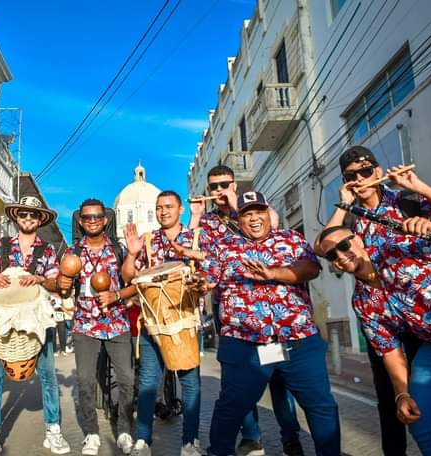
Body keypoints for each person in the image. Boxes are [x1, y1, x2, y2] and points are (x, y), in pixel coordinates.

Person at [319, 145, 431, 455]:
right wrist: (344, 203)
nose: (361, 179)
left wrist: (418, 191)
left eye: (367, 172)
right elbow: (325, 245)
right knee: (406, 404)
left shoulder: (408, 203)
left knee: (430, 408)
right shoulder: (353, 223)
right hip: (404, 323)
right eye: (352, 176)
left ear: (378, 171)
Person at [202, 191, 340, 456]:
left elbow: (311, 268)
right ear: (238, 218)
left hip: (297, 340)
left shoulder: (290, 238)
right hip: (244, 344)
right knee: (231, 407)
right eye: (247, 214)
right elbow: (207, 279)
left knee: (321, 406)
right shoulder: (222, 247)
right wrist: (200, 285)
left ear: (269, 212)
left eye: (259, 211)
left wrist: (274, 273)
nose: (254, 218)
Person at [190, 166, 303, 456]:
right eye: (213, 186)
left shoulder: (257, 208)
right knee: (239, 379)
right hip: (232, 309)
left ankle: (291, 437)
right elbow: (197, 252)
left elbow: (275, 233)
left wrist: (235, 208)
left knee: (279, 376)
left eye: (223, 185)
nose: (218, 191)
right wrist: (196, 218)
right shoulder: (210, 222)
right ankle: (252, 436)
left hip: (272, 309)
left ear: (234, 184)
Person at [0, 196, 70, 455]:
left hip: (37, 319)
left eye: (33, 215)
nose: (28, 218)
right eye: (24, 214)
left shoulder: (48, 250)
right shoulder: (0, 245)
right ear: (17, 217)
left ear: (40, 220)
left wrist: (38, 278)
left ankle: (54, 432)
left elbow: (55, 284)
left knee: (48, 376)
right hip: (0, 319)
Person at [121, 190, 206, 456]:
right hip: (152, 324)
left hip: (186, 324)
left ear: (180, 209)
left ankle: (189, 442)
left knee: (191, 383)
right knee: (147, 382)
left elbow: (208, 273)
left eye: (169, 206)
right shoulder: (148, 241)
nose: (163, 211)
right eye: (159, 207)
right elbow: (128, 279)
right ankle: (143, 441)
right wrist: (132, 255)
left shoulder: (196, 238)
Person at [57, 198, 137, 455]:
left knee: (127, 378)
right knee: (84, 381)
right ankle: (91, 433)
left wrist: (116, 296)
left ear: (105, 220)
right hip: (85, 325)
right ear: (80, 221)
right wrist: (64, 285)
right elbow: (63, 287)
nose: (92, 221)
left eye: (97, 217)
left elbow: (134, 283)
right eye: (87, 217)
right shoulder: (73, 252)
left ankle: (124, 429)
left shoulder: (118, 248)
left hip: (117, 323)